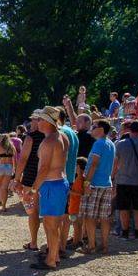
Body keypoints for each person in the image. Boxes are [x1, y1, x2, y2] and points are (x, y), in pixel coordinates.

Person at [29, 107, 69, 270]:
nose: (36, 122)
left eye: (39, 119)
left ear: (47, 122)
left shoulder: (49, 141)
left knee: (51, 225)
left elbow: (44, 168)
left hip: (52, 185)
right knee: (54, 224)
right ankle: (54, 255)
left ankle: (51, 260)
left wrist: (33, 190)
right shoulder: (62, 136)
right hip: (59, 182)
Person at [80, 120, 116, 254]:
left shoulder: (98, 143)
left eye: (94, 127)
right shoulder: (111, 144)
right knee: (104, 217)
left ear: (101, 129)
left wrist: (86, 183)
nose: (92, 129)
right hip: (106, 184)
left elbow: (94, 163)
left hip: (94, 184)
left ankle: (91, 245)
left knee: (90, 216)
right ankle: (105, 246)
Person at [15, 115, 45, 250]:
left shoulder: (31, 137)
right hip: (48, 178)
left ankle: (34, 242)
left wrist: (16, 179)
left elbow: (23, 159)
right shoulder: (52, 136)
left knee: (33, 211)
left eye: (33, 119)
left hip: (31, 179)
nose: (30, 122)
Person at [57, 107, 79, 252]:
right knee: (65, 216)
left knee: (58, 217)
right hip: (70, 177)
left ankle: (56, 248)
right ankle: (62, 246)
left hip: (60, 178)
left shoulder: (61, 133)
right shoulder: (72, 132)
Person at [0, 133, 16, 211]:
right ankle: (4, 206)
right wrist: (14, 169)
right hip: (9, 167)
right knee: (5, 188)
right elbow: (14, 160)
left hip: (0, 166)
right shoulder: (12, 147)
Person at [68, 157, 88, 248]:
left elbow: (81, 193)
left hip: (76, 207)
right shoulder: (82, 178)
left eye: (76, 166)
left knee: (76, 226)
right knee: (78, 225)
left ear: (79, 167)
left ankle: (75, 242)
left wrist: (70, 191)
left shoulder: (80, 179)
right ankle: (79, 240)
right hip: (77, 206)